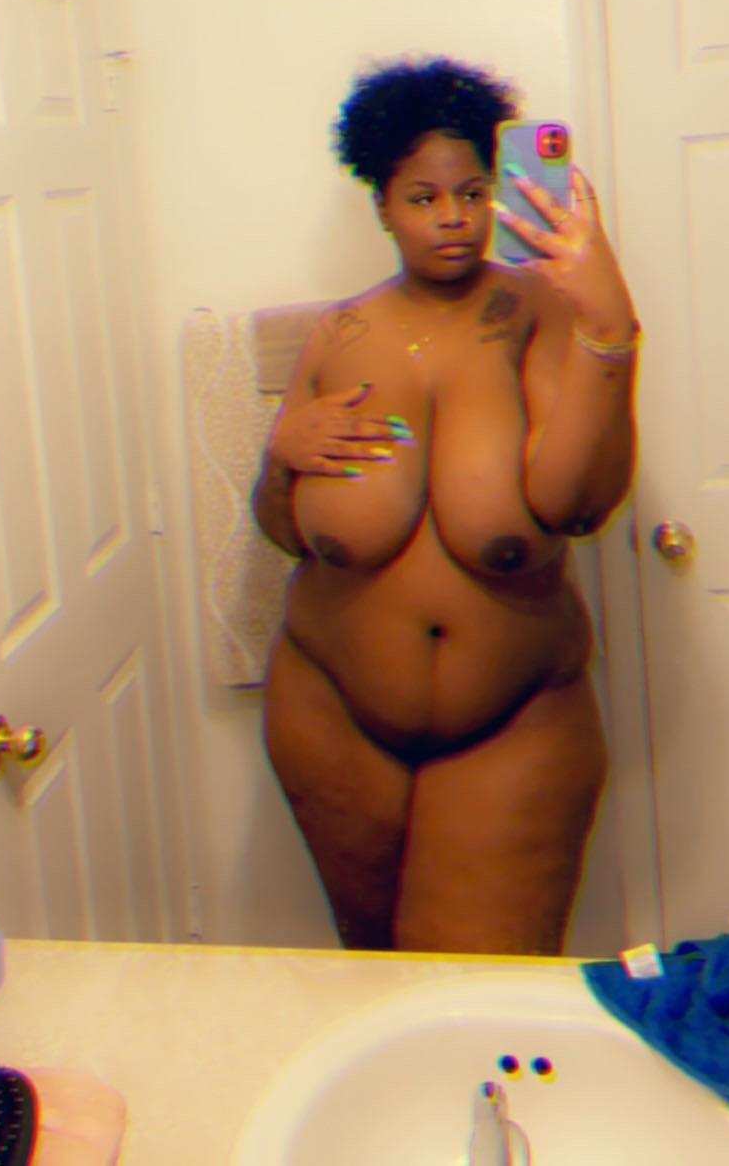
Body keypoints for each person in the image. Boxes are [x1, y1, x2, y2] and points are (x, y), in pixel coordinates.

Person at [251, 57, 639, 954]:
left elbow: (580, 506)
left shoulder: (546, 311)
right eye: (423, 198)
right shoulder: (339, 333)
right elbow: (286, 533)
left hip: (514, 724)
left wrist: (611, 331)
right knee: (377, 983)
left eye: (471, 193)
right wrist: (278, 463)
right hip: (328, 713)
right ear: (382, 207)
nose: (454, 218)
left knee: (477, 993)